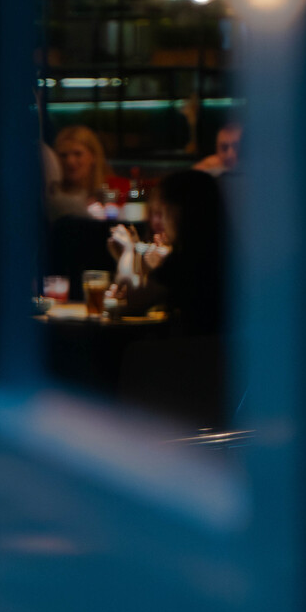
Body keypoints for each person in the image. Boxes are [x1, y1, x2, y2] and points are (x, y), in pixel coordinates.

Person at [106, 169, 230, 426]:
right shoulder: (221, 252)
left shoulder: (186, 260)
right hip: (227, 371)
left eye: (163, 211)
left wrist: (127, 254)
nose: (160, 220)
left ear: (179, 212)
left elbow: (128, 303)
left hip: (192, 370)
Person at [51, 124, 130, 212]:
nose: (70, 161)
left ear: (94, 156)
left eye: (78, 154)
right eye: (63, 155)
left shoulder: (120, 189)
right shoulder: (51, 195)